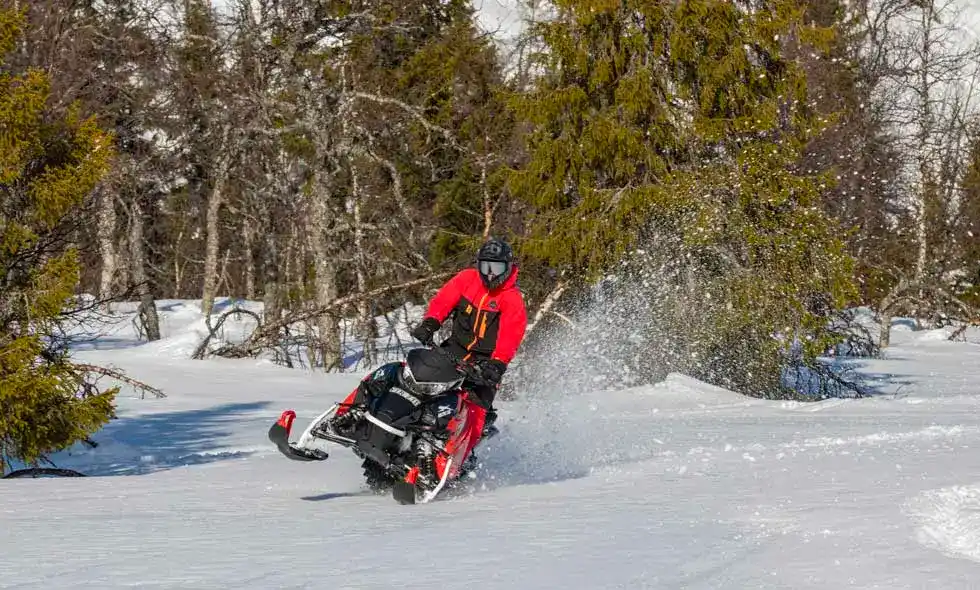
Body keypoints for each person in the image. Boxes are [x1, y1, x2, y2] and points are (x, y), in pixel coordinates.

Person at [409, 237, 528, 437]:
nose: (490, 274)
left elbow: (510, 335)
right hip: (453, 349)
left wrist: (497, 364)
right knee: (418, 380)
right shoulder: (466, 279)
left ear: (507, 268)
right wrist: (430, 322)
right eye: (485, 267)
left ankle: (462, 455)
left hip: (484, 364)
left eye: (496, 268)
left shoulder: (512, 299)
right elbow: (444, 301)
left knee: (475, 409)